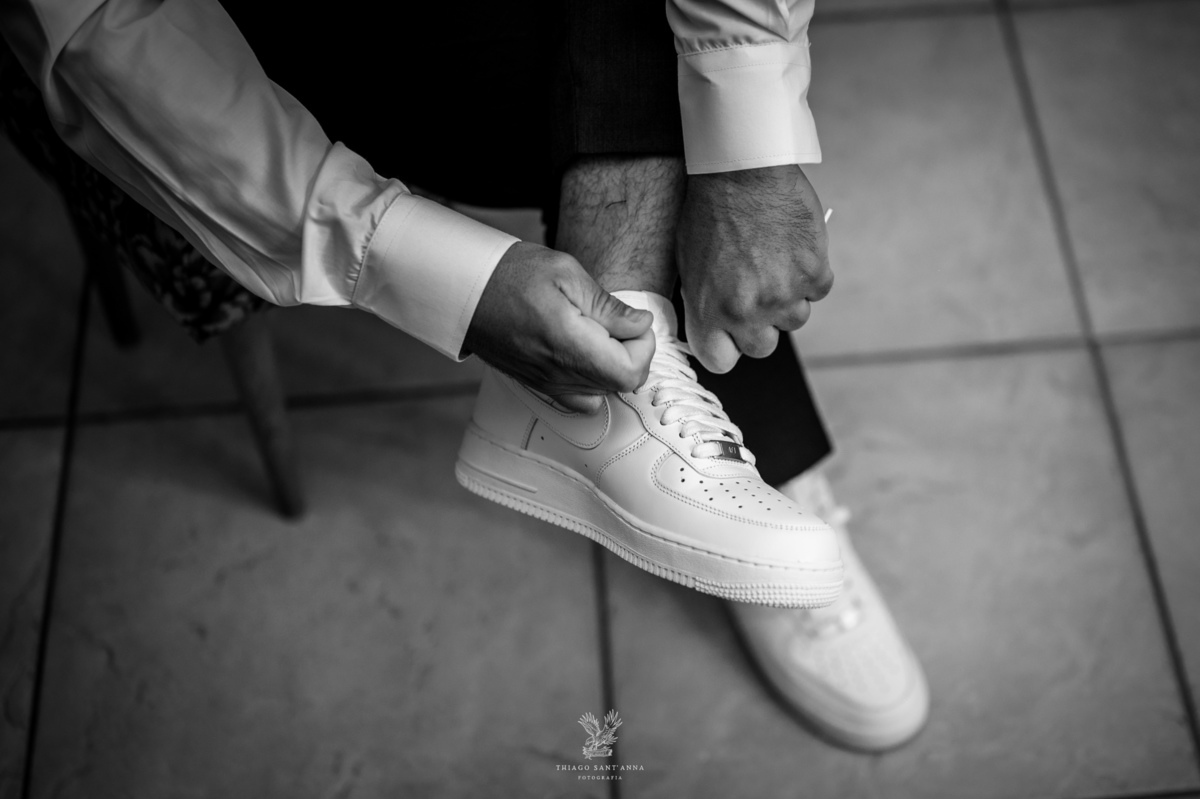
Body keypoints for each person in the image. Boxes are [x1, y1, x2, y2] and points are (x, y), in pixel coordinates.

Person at [1, 0, 929, 750]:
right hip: (275, 39)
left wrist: (751, 160)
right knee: (654, 71)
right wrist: (438, 274)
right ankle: (631, 380)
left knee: (693, 67)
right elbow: (103, 29)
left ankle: (612, 376)